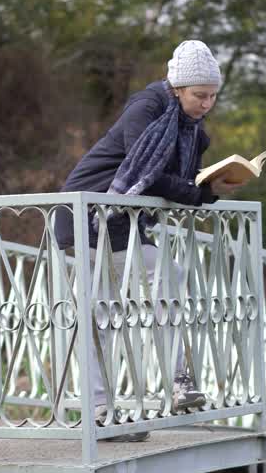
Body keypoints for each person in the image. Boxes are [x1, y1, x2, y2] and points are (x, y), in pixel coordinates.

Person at [54, 39, 241, 426]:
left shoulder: (192, 130)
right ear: (177, 88)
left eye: (212, 97)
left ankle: (110, 407)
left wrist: (211, 187)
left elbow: (180, 179)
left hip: (121, 221)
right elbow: (147, 173)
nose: (207, 105)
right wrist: (198, 193)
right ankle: (166, 386)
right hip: (88, 215)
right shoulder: (148, 108)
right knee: (123, 299)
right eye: (200, 95)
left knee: (108, 308)